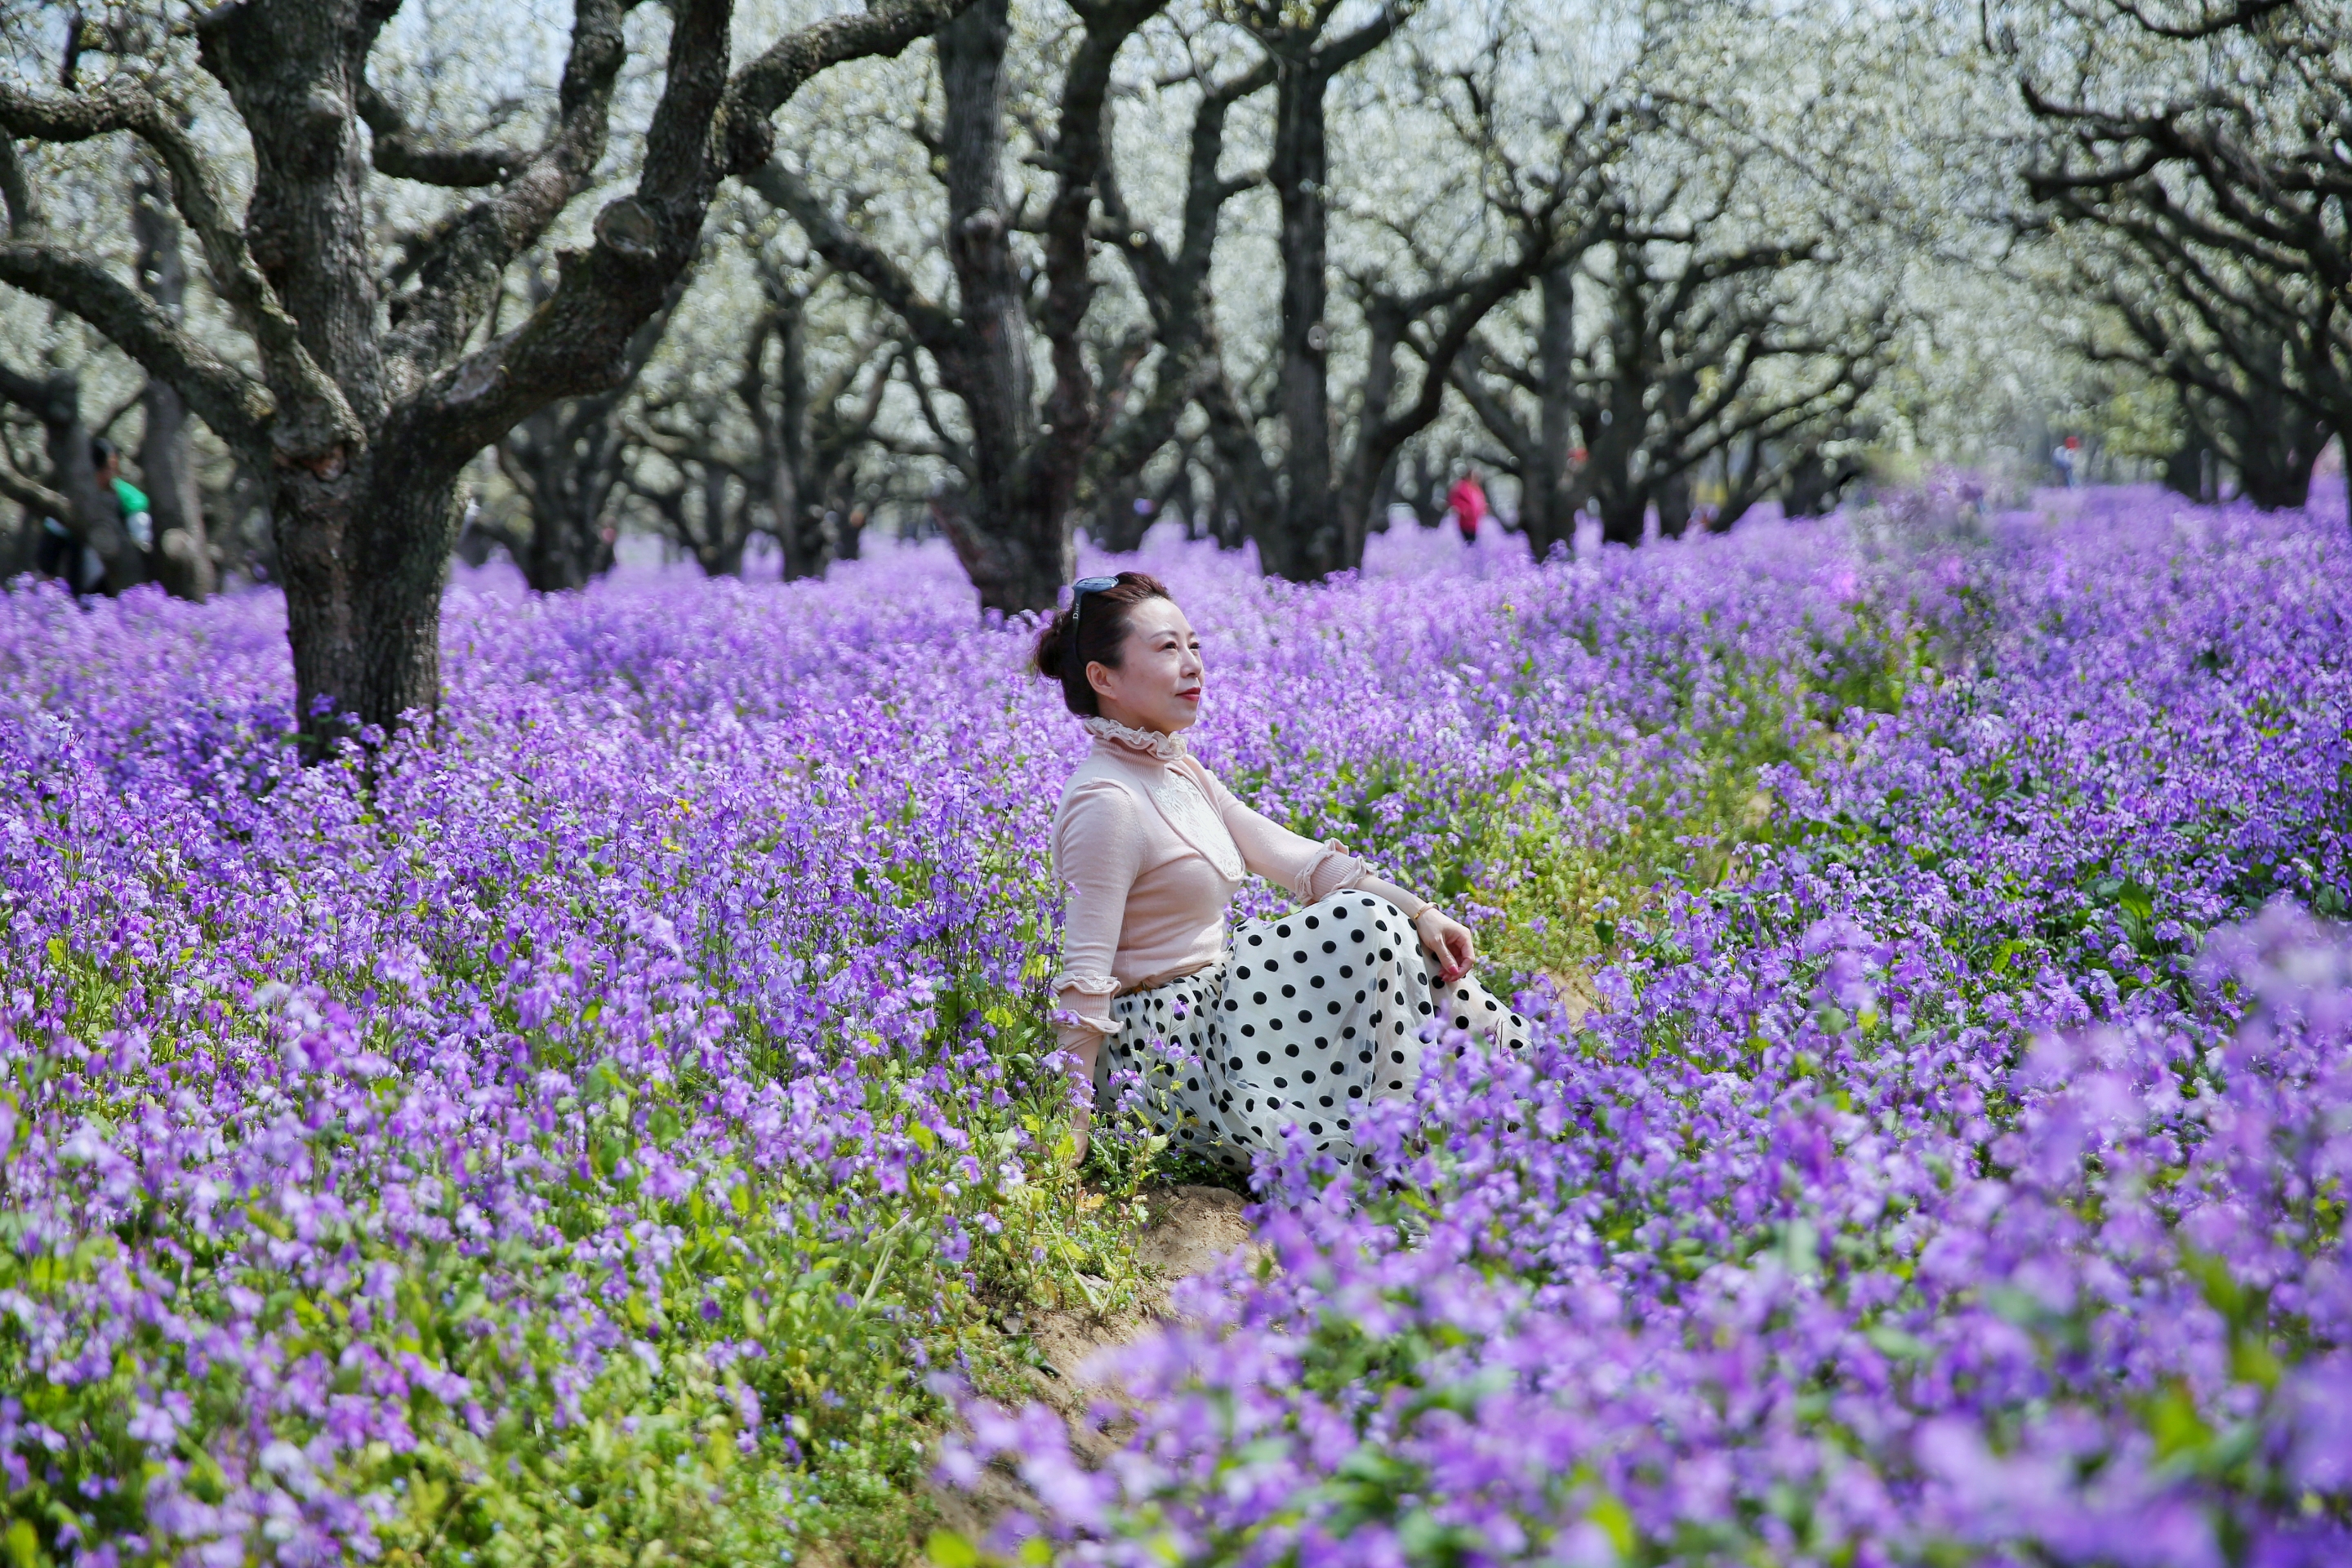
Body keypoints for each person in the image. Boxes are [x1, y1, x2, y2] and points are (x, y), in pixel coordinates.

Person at [1034, 571, 1527, 1170]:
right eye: (1168, 648)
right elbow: (1084, 982)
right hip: (1168, 1056)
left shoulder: (1177, 770)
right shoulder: (1106, 800)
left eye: (1194, 645)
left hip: (1225, 1014)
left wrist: (1423, 912)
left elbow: (1302, 863)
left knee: (1383, 922)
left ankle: (1512, 1086)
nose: (1193, 666)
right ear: (1103, 678)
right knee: (1365, 924)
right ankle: (1446, 1126)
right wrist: (1068, 1139)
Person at [1447, 468, 1488, 545]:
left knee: (1473, 543)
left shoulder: (1476, 488)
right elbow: (1454, 500)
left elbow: (1481, 502)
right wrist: (1465, 510)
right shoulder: (1462, 487)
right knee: (1469, 542)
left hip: (1475, 522)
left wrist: (1483, 509)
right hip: (1465, 522)